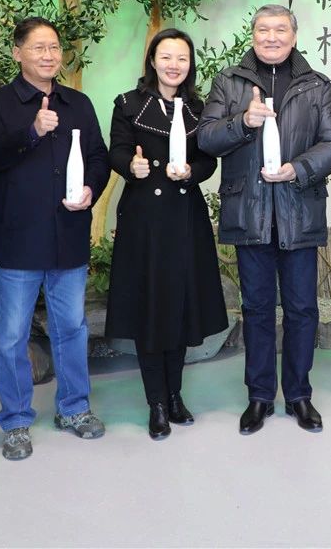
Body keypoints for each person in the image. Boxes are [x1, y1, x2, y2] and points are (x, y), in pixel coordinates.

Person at [198, 4, 331, 435]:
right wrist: (243, 122)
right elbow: (206, 138)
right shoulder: (229, 81)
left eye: (280, 29)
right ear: (253, 35)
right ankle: (260, 396)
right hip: (250, 212)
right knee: (257, 309)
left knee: (302, 310)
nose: (271, 36)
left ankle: (299, 394)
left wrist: (297, 169)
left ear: (294, 36)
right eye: (263, 29)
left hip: (299, 211)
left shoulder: (317, 84)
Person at [0, 17, 110, 461]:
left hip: (68, 234)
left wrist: (90, 189)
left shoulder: (78, 103)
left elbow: (99, 157)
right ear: (18, 53)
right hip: (18, 239)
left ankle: (74, 408)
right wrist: (31, 131)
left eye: (54, 47)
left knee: (71, 328)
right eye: (38, 47)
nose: (49, 55)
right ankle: (15, 421)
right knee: (12, 336)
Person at [106, 29, 228, 440]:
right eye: (166, 57)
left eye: (182, 58)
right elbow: (117, 149)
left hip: (184, 218)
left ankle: (175, 395)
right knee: (150, 310)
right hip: (143, 220)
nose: (174, 65)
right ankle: (156, 403)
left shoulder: (199, 108)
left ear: (190, 65)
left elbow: (209, 159)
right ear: (153, 61)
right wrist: (131, 166)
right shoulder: (128, 103)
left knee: (179, 307)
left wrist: (192, 172)